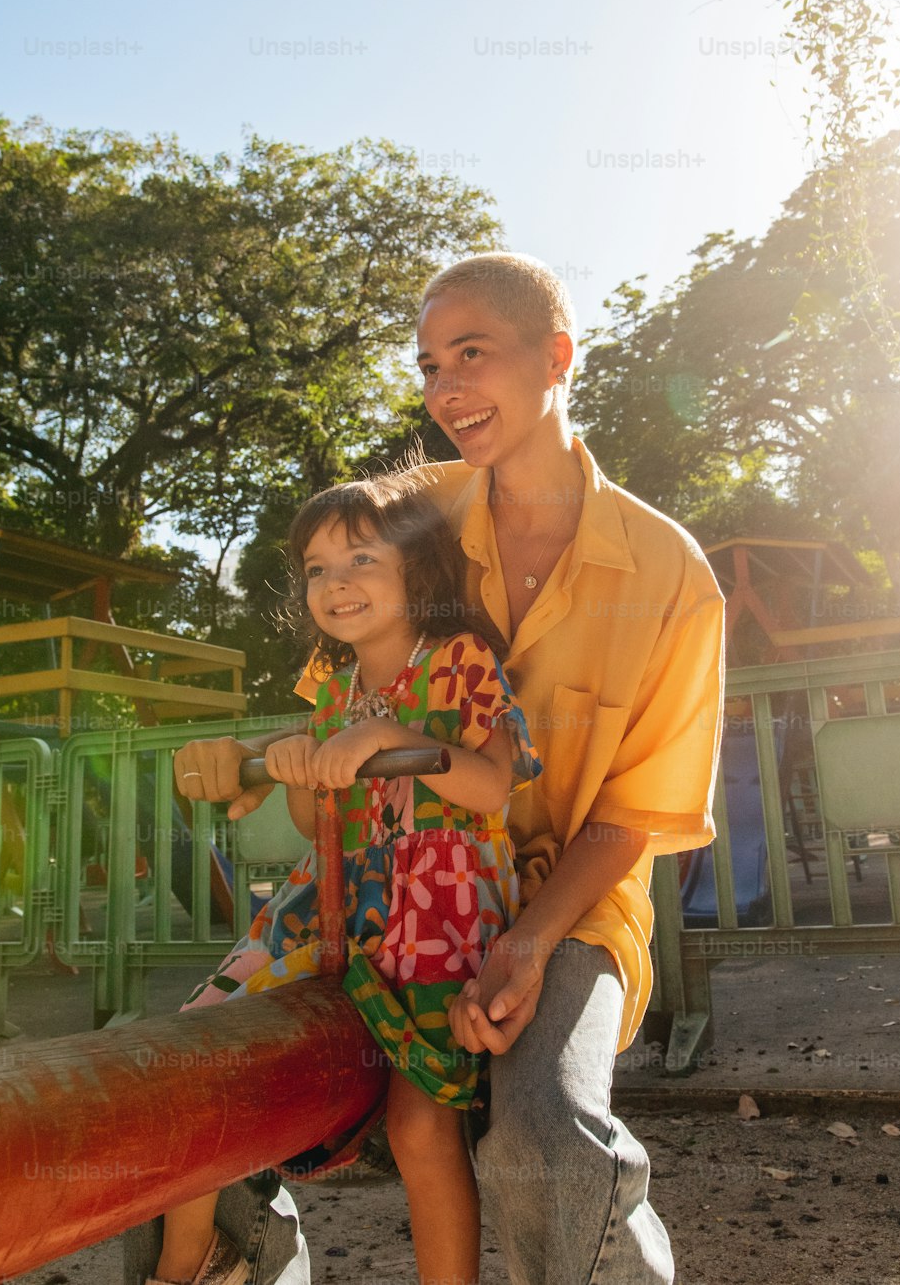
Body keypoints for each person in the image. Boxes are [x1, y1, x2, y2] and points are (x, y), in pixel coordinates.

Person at [127, 250, 725, 1285]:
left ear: (556, 358)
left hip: (565, 905)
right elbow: (341, 626)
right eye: (427, 365)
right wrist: (257, 761)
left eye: (471, 355)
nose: (444, 389)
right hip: (383, 883)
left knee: (540, 1138)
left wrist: (530, 944)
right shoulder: (420, 513)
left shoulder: (674, 577)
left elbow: (630, 820)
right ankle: (229, 1261)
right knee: (195, 1072)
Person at [141, 472, 540, 1285]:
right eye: (317, 568)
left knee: (419, 1124)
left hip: (436, 900)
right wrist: (297, 768)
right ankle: (189, 1265)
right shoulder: (330, 688)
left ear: (416, 569)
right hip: (333, 896)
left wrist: (388, 735)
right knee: (202, 1046)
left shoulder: (458, 659)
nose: (336, 582)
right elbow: (314, 824)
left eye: (360, 557)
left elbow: (493, 787)